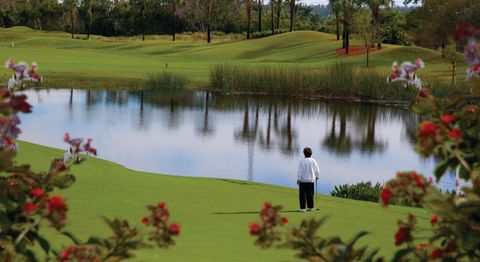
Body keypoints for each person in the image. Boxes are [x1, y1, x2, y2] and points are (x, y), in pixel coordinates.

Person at [297, 147, 320, 212]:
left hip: (303, 181)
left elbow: (299, 171)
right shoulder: (314, 161)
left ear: (304, 153)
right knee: (310, 194)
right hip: (311, 180)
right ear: (311, 154)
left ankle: (303, 208)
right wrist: (317, 176)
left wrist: (298, 179)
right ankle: (310, 207)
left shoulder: (302, 161)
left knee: (302, 194)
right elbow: (317, 169)